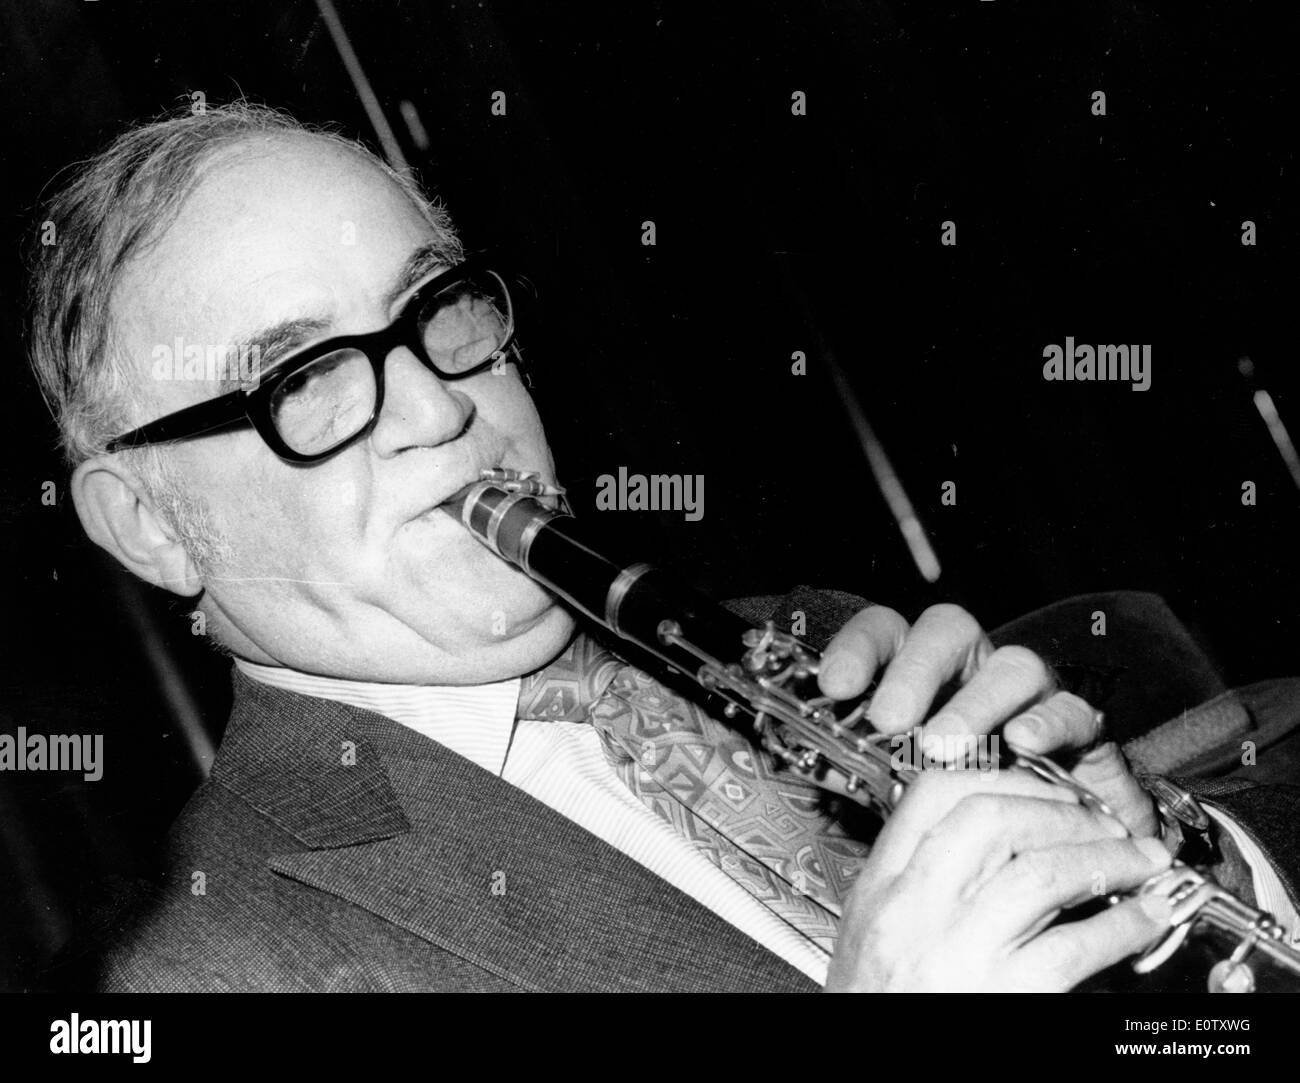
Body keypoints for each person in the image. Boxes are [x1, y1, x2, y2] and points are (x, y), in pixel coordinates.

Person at [26, 102, 1300, 992]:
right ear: (148, 524)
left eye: (438, 310)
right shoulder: (195, 968)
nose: (439, 406)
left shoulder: (800, 639)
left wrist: (1170, 862)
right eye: (304, 378)